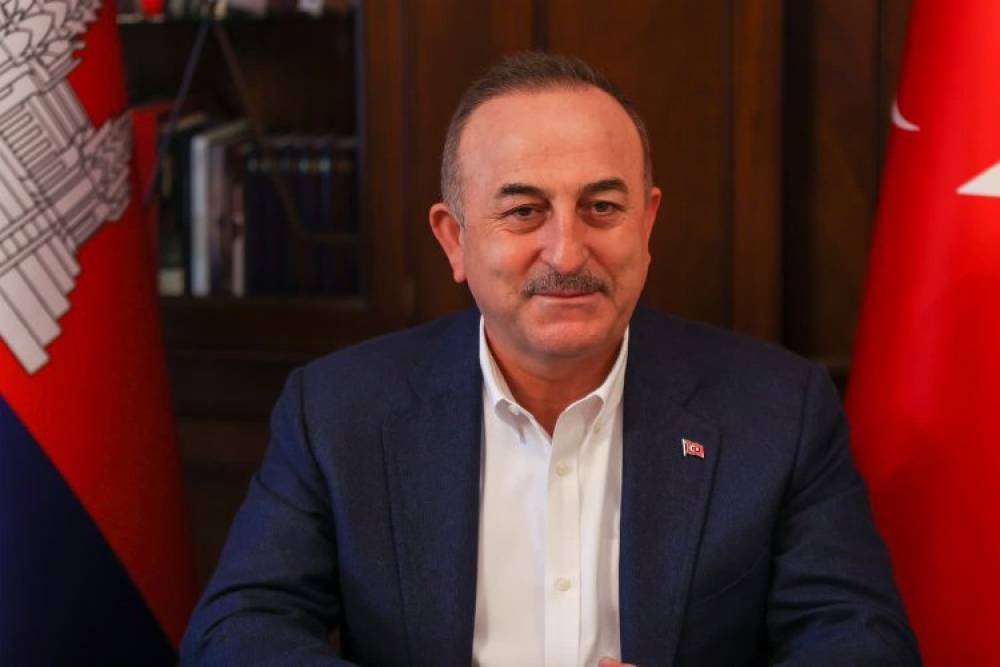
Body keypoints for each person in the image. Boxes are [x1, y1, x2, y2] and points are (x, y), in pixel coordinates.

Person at [180, 52, 921, 666]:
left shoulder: (777, 410)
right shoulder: (339, 410)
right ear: (454, 239)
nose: (567, 253)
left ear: (647, 224)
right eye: (524, 211)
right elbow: (237, 631)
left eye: (602, 207)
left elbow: (862, 642)